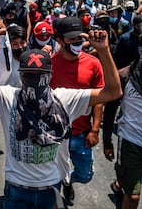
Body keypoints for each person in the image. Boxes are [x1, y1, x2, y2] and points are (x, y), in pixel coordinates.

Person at [0, 19, 122, 209]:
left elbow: (113, 92)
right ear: (21, 76)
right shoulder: (8, 96)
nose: (35, 80)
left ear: (50, 75)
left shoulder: (64, 98)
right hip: (16, 187)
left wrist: (104, 51)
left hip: (50, 187)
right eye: (29, 75)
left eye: (40, 75)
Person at [51, 17, 105, 206]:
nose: (77, 43)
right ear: (59, 40)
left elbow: (100, 100)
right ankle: (62, 184)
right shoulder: (49, 64)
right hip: (56, 136)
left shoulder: (93, 63)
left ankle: (69, 181)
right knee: (54, 178)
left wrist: (95, 129)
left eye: (79, 38)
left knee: (85, 175)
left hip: (82, 134)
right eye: (71, 39)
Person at [112, 35, 142, 209]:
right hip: (131, 140)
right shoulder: (129, 74)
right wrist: (106, 137)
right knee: (132, 197)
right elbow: (110, 97)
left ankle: (118, 184)